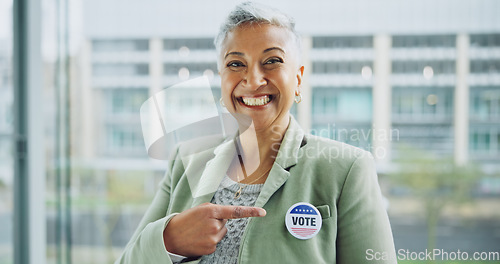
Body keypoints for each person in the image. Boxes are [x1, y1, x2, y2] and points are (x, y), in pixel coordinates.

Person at [116, 2, 396, 263]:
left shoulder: (346, 170)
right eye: (236, 64)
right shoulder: (186, 160)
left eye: (271, 61)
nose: (253, 80)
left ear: (297, 79)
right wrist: (169, 240)